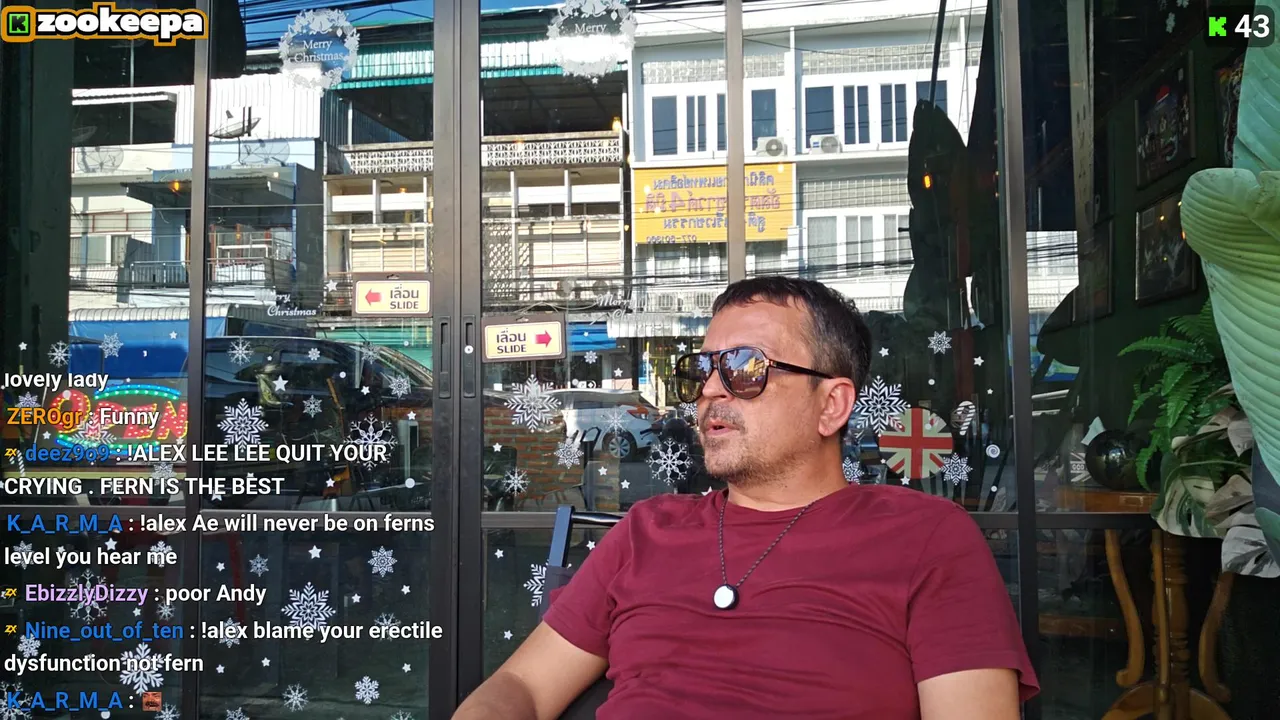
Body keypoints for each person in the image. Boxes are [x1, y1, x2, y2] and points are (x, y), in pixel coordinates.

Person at [454, 276, 1038, 719]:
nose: (710, 390)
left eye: (745, 368)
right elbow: (522, 687)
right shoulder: (646, 530)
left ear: (831, 405)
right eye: (702, 369)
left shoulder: (926, 538)